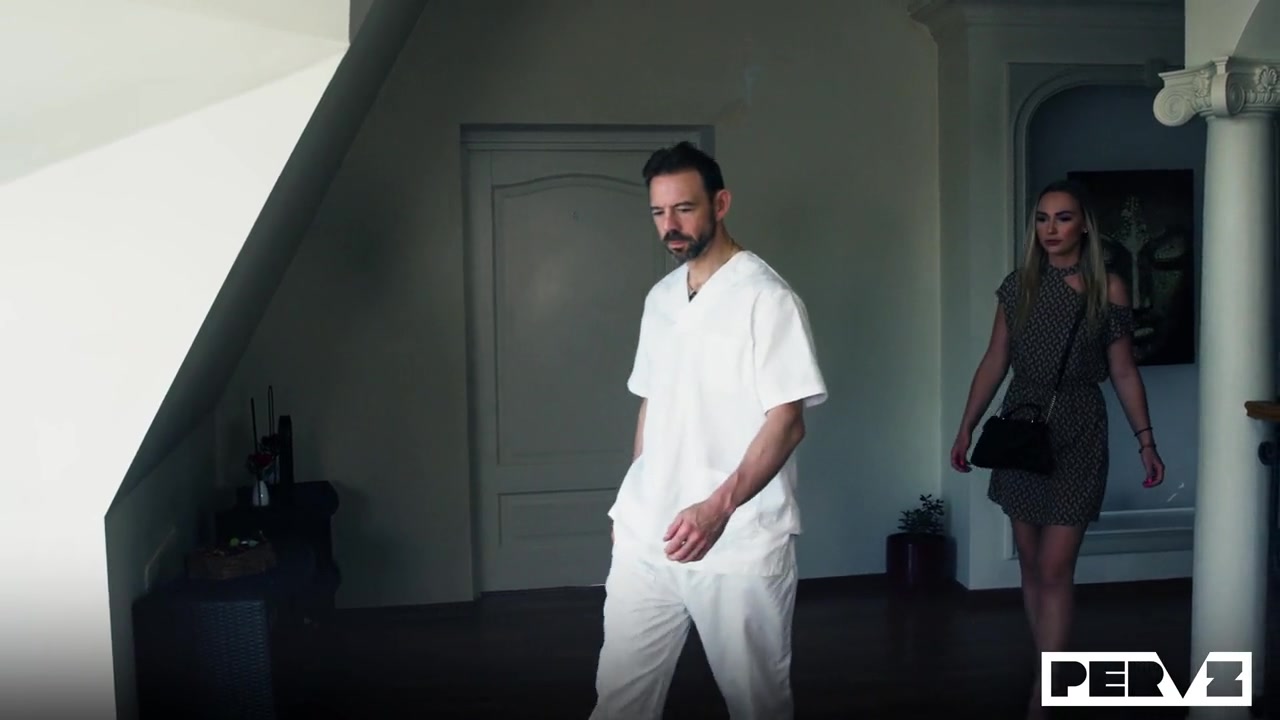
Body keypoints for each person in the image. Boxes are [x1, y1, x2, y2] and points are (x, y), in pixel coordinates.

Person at [589, 141, 827, 720]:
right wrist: (636, 498)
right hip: (648, 539)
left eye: (684, 208)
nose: (669, 225)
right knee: (619, 702)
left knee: (757, 705)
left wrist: (718, 509)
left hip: (739, 544)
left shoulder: (767, 299)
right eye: (658, 212)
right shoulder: (661, 300)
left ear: (720, 204)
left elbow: (787, 422)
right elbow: (652, 405)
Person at [949, 179, 1166, 718]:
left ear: (1084, 225)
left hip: (1079, 427)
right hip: (1022, 425)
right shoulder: (1018, 285)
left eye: (1063, 218)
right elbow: (995, 358)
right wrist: (966, 425)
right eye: (1043, 218)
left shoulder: (1107, 288)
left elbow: (1123, 369)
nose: (1050, 229)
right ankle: (1050, 663)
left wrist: (1146, 439)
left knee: (1054, 565)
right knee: (1030, 561)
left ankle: (1045, 690)